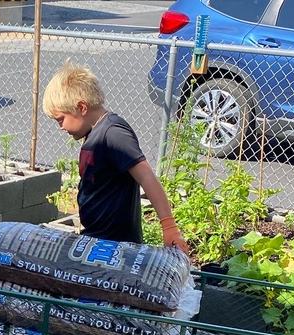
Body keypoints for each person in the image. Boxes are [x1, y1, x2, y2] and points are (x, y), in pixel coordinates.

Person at [43, 61, 190, 254]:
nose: (60, 127)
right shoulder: (94, 133)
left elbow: (146, 176)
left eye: (60, 119)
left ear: (81, 107)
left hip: (117, 247)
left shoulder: (113, 133)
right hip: (97, 240)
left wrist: (169, 227)